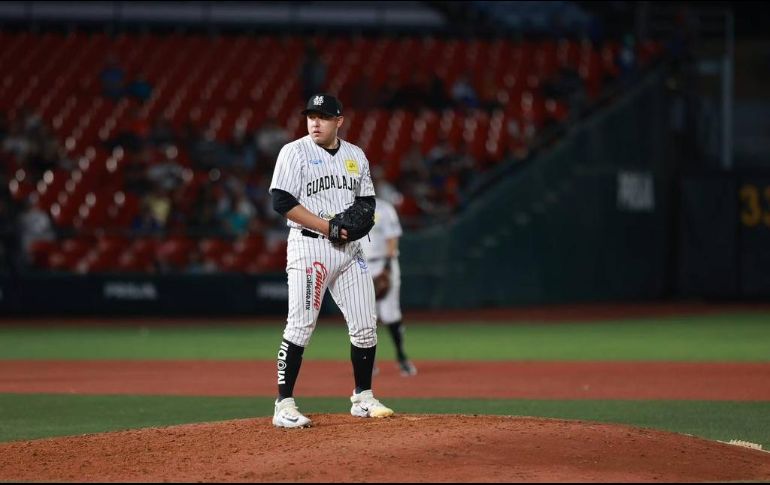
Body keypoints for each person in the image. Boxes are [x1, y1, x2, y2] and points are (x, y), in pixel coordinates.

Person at [268, 93, 394, 428]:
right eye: (311, 115)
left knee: (366, 326)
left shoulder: (355, 155)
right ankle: (284, 405)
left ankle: (363, 397)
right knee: (301, 325)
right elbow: (280, 201)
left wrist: (355, 225)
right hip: (310, 247)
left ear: (339, 121)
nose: (315, 122)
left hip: (349, 251)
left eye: (323, 117)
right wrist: (329, 227)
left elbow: (366, 203)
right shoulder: (294, 152)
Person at [359, 196, 417, 377]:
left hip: (384, 264)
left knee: (390, 314)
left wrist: (387, 268)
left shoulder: (383, 208)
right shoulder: (348, 207)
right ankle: (368, 361)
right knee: (364, 317)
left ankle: (401, 358)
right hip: (361, 266)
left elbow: (392, 239)